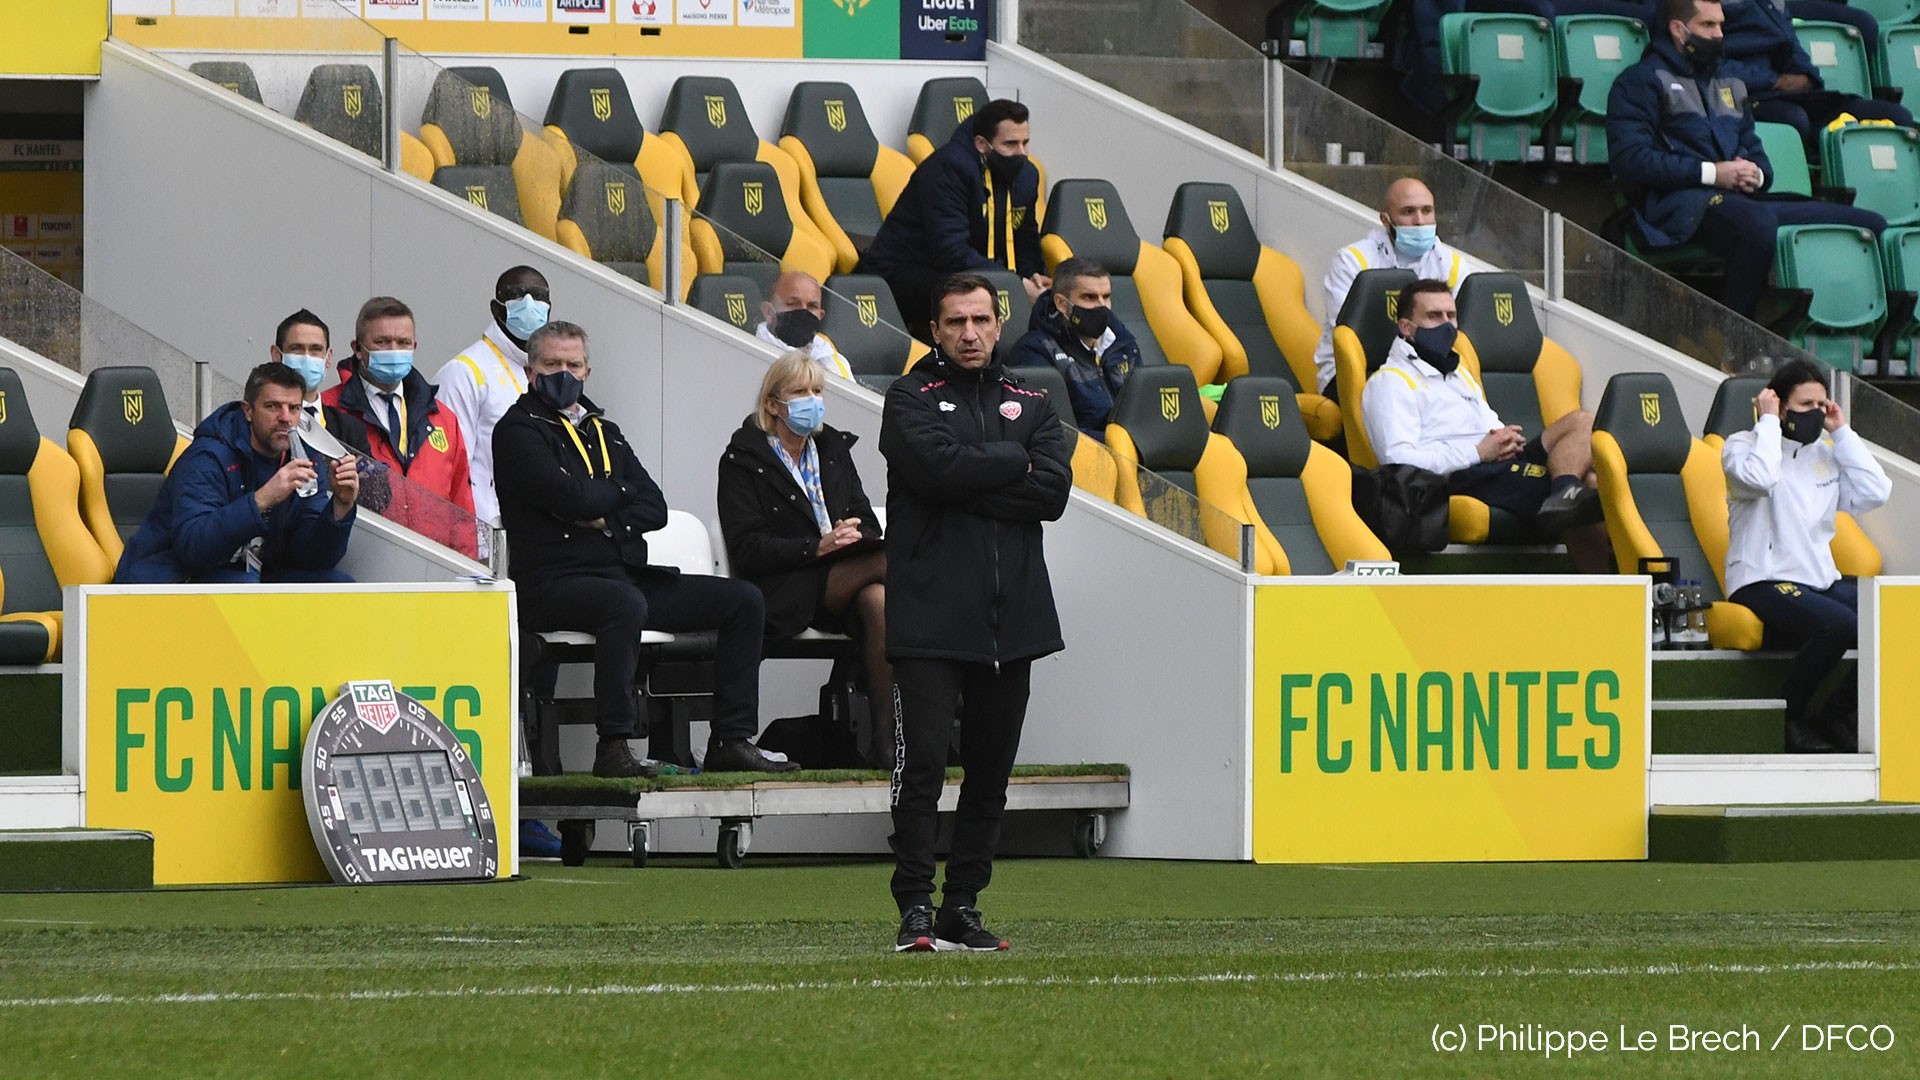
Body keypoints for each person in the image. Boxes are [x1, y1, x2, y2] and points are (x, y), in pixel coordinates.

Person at [494, 321, 798, 777]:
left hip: (620, 572)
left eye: (573, 364)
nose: (564, 373)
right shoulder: (517, 430)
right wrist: (613, 495)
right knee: (623, 603)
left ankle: (730, 739)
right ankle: (613, 747)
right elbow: (571, 499)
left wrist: (602, 511)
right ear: (530, 370)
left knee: (743, 600)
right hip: (551, 582)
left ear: (588, 370)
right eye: (552, 364)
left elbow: (653, 505)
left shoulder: (604, 430)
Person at [880, 272, 1073, 952]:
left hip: (1013, 619)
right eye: (956, 322)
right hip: (930, 617)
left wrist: (967, 474)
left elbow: (1052, 494)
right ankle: (914, 907)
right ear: (934, 330)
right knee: (922, 770)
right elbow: (933, 469)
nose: (970, 333)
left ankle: (961, 905)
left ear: (999, 324)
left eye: (981, 320)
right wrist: (1012, 463)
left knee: (990, 776)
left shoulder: (1034, 400)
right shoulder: (907, 397)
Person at [1608, 0, 1887, 318]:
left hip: (1743, 200)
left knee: (1869, 225)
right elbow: (1630, 159)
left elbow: (1756, 154)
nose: (1719, 34)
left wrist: (1756, 174)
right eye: (1708, 25)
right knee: (1757, 223)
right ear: (1678, 30)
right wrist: (1713, 173)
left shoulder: (1728, 84)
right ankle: (1737, 332)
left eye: (1721, 25)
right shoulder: (1639, 82)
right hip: (1681, 205)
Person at [1360, 280, 1610, 562]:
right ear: (1406, 327)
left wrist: (1505, 438)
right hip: (1463, 475)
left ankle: (1563, 490)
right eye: (1433, 316)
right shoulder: (1390, 382)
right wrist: (1478, 452)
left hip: (1496, 461)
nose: (1446, 325)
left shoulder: (1457, 372)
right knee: (1591, 483)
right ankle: (1601, 579)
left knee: (1583, 422)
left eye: (1451, 316)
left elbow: (1487, 421)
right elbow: (1397, 460)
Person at [1722, 358, 1890, 752]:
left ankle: (1836, 711)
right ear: (1780, 406)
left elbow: (1876, 491)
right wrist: (1767, 422)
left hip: (1818, 580)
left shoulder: (1824, 454)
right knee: (1840, 625)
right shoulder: (1742, 447)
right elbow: (1760, 479)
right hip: (1761, 580)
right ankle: (1790, 716)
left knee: (1896, 616)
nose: (1815, 413)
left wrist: (1841, 431)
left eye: (1820, 404)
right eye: (1805, 405)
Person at [717, 350, 887, 702]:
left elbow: (867, 519)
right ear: (772, 404)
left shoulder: (833, 450)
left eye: (817, 391)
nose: (812, 400)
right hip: (782, 586)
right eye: (800, 392)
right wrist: (818, 547)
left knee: (879, 600)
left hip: (841, 579)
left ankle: (887, 733)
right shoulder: (742, 460)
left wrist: (854, 535)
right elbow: (747, 548)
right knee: (896, 563)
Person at [117, 363, 359, 583]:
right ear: (248, 411)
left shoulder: (305, 457)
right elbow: (192, 547)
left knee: (339, 584)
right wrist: (261, 499)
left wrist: (340, 507)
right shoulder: (208, 456)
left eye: (294, 408)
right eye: (272, 406)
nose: (286, 418)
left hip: (255, 574)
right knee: (245, 588)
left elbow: (310, 558)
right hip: (171, 577)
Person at [859, 100, 1050, 338]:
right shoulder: (946, 169)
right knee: (971, 297)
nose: (1022, 153)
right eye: (1010, 144)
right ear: (981, 144)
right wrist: (1015, 285)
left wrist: (1033, 277)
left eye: (1025, 142)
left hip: (976, 271)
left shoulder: (1027, 175)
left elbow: (1026, 238)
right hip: (907, 272)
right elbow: (950, 252)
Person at [323, 296, 480, 558]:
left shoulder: (442, 417)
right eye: (382, 342)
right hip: (361, 562)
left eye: (403, 343)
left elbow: (462, 507)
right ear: (358, 348)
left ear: (414, 346)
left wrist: (467, 566)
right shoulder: (329, 411)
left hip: (435, 565)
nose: (393, 350)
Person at [1310, 177, 1477, 399]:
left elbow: (1460, 332)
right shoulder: (1353, 261)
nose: (1419, 221)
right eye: (1408, 212)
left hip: (1432, 368)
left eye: (1426, 211)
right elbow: (1354, 336)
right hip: (1355, 372)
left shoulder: (1452, 264)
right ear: (1385, 220)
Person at [433, 266, 552, 541]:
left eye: (538, 295)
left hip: (536, 535)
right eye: (516, 294)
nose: (528, 303)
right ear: (496, 309)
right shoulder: (464, 372)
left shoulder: (547, 372)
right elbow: (450, 467)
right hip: (484, 535)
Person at [1717, 0, 1908, 152]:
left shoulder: (1772, 4)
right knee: (1795, 119)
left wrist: (1807, 76)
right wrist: (1772, 81)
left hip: (1793, 94)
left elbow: (1791, 44)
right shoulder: (1708, 10)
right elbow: (1709, 64)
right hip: (1747, 96)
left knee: (1897, 117)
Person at [1008, 256, 1149, 440]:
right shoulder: (1034, 351)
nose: (1102, 306)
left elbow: (1145, 409)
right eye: (1089, 297)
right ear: (1061, 303)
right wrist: (1119, 443)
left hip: (1133, 446)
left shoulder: (1123, 342)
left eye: (1106, 297)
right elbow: (1055, 430)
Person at [755, 271, 853, 380]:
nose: (803, 312)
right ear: (768, 312)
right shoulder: (751, 353)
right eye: (793, 304)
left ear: (820, 315)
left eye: (812, 306)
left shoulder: (835, 361)